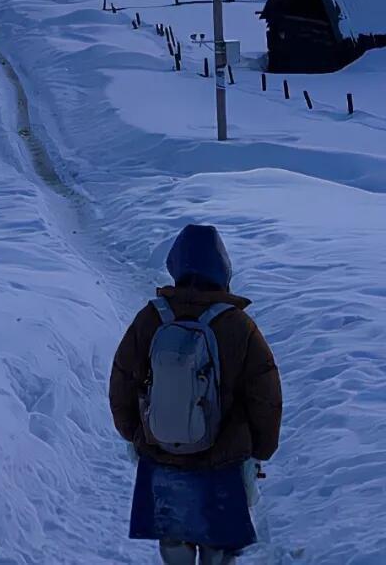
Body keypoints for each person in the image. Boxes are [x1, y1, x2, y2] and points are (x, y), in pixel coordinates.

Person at [109, 224, 283, 563]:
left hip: (162, 457)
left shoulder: (151, 318)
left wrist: (136, 433)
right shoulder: (238, 326)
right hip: (223, 462)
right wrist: (260, 448)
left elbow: (122, 379)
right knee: (218, 549)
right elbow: (265, 393)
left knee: (175, 546)